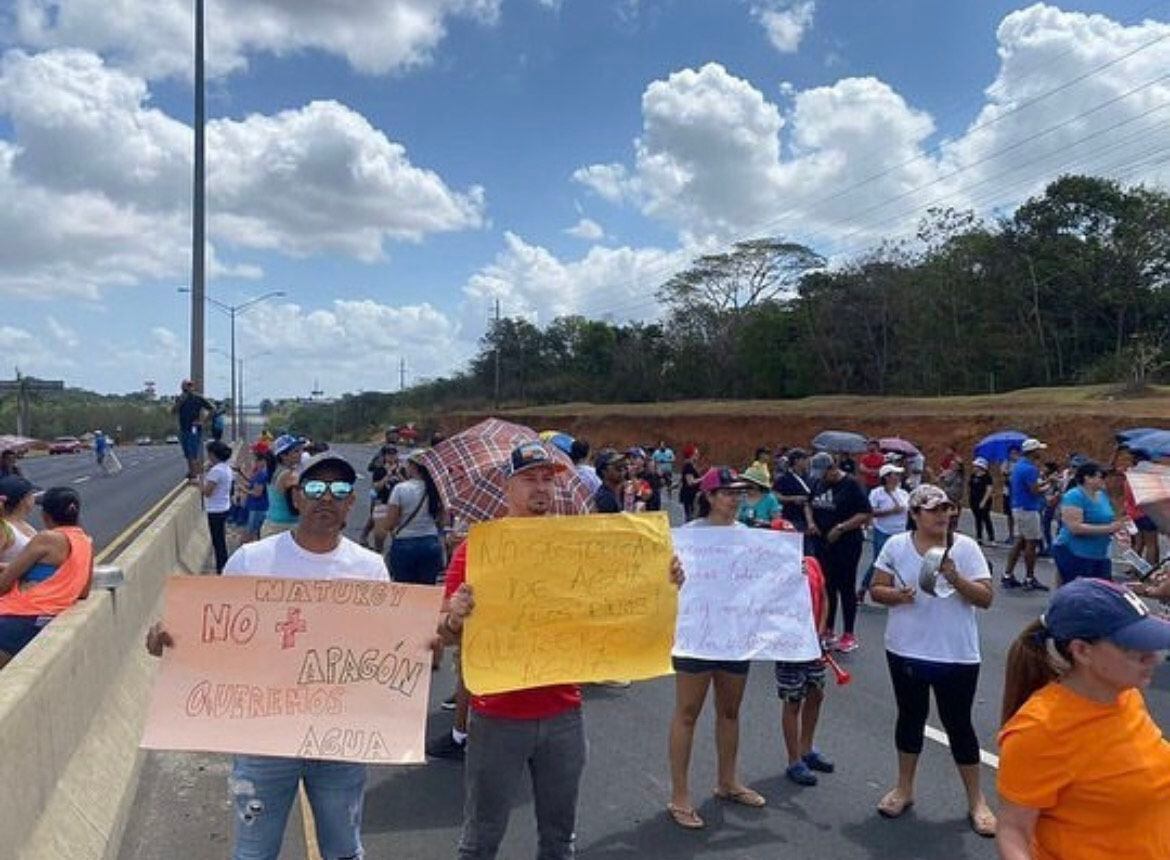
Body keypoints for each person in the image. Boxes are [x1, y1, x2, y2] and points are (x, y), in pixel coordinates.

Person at [438, 440, 682, 857]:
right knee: (481, 840)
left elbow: (620, 596)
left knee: (559, 839)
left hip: (564, 714)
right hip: (497, 717)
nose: (540, 488)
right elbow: (444, 633)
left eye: (547, 480)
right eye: (529, 479)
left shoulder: (577, 545)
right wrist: (455, 616)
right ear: (507, 487)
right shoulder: (478, 550)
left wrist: (664, 577)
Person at [147, 452, 389, 859]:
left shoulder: (370, 568)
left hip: (338, 738)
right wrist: (173, 639)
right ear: (296, 498)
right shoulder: (252, 560)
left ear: (351, 502)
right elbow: (216, 636)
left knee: (344, 851)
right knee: (254, 853)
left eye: (339, 490)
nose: (326, 498)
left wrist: (428, 640)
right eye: (315, 488)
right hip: (263, 738)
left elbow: (384, 647)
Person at [997, 578, 1170, 859]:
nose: (1153, 658)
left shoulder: (1126, 696)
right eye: (1133, 647)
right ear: (1082, 651)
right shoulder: (1039, 730)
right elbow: (1013, 831)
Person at [867, 484, 996, 838]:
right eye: (933, 509)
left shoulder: (965, 548)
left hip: (956, 653)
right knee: (910, 717)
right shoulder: (896, 546)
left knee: (959, 724)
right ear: (915, 514)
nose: (943, 514)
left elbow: (986, 598)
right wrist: (896, 595)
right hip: (906, 649)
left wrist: (955, 576)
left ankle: (977, 800)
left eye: (947, 508)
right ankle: (904, 788)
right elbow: (876, 590)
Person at [667, 466, 765, 829]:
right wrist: (671, 575)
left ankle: (727, 781)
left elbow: (761, 582)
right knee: (687, 712)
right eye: (727, 492)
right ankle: (679, 795)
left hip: (734, 635)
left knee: (730, 711)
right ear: (708, 497)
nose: (735, 498)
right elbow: (667, 585)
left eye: (739, 491)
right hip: (695, 635)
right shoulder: (687, 537)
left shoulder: (750, 537)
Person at [0, 486, 93, 670]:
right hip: (47, 618)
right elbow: (83, 592)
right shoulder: (86, 542)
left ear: (46, 516)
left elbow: (3, 584)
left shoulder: (46, 539)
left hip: (20, 617)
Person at [776, 551, 835, 788]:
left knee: (816, 693)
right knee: (792, 701)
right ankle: (794, 760)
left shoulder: (812, 563)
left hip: (813, 643)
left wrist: (820, 632)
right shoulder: (773, 572)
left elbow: (824, 597)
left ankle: (807, 747)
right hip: (790, 645)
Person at [808, 453, 872, 652]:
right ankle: (828, 629)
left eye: (824, 473)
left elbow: (866, 513)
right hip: (823, 542)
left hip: (846, 543)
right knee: (827, 586)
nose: (821, 477)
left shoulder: (851, 485)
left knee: (845, 587)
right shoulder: (818, 484)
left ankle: (849, 633)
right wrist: (811, 522)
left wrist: (842, 527)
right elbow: (808, 504)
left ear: (832, 468)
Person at [1051, 460, 1124, 586]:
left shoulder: (1102, 496)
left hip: (1100, 553)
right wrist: (1109, 528)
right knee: (1077, 590)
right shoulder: (1074, 496)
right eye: (1100, 477)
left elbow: (1109, 517)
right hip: (1075, 552)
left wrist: (1119, 528)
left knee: (1101, 590)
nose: (1103, 480)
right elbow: (1075, 528)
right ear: (1087, 478)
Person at [379, 455, 445, 585]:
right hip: (430, 543)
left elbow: (390, 522)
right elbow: (442, 521)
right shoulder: (436, 489)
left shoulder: (401, 489)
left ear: (414, 467)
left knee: (404, 590)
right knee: (427, 591)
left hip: (405, 543)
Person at [1004, 438, 1052, 591]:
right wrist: (1049, 485)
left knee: (1019, 541)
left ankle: (1008, 574)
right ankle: (1029, 577)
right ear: (1033, 452)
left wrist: (1044, 483)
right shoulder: (1030, 469)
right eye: (1039, 450)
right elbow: (1034, 491)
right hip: (1028, 508)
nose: (1041, 453)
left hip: (1018, 506)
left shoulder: (1019, 466)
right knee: (1031, 543)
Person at [860, 464, 909, 600]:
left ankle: (893, 588)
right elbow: (871, 512)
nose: (898, 477)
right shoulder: (876, 493)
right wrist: (891, 511)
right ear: (886, 477)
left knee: (898, 560)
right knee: (880, 560)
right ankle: (865, 587)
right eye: (895, 474)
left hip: (900, 531)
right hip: (883, 531)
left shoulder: (903, 493)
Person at [260, 435, 303, 538]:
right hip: (284, 527)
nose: (300, 454)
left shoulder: (273, 470)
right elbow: (299, 502)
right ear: (284, 456)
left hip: (271, 523)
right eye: (296, 451)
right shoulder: (289, 475)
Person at [201, 441, 234, 573]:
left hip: (215, 510)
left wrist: (199, 483)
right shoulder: (226, 468)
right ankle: (223, 567)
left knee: (218, 542)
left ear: (213, 454)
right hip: (224, 507)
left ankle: (222, 569)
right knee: (221, 541)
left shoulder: (216, 471)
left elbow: (207, 492)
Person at [172, 379, 213, 481]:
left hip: (194, 428)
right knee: (187, 452)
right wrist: (180, 402)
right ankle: (191, 471)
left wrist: (202, 421)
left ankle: (195, 474)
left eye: (190, 386)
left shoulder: (198, 398)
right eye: (185, 387)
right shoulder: (180, 399)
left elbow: (212, 408)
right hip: (183, 428)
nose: (187, 388)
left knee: (192, 451)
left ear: (193, 387)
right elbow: (173, 411)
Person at [773, 449, 814, 541]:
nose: (807, 462)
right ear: (797, 461)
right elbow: (775, 496)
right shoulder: (784, 479)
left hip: (809, 519)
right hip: (791, 517)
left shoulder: (809, 478)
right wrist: (792, 498)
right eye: (804, 459)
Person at [0, 475, 38, 567]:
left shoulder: (21, 523)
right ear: (24, 500)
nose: (34, 497)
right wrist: (18, 569)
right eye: (32, 494)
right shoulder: (4, 529)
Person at [241, 445, 271, 543]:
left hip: (258, 508)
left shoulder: (262, 474)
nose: (255, 463)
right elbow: (253, 483)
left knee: (249, 534)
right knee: (257, 534)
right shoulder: (260, 473)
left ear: (262, 461)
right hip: (257, 507)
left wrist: (244, 490)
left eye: (256, 461)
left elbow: (257, 493)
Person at [968, 457, 995, 544]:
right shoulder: (973, 476)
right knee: (977, 519)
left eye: (976, 466)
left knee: (986, 518)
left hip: (983, 500)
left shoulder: (987, 477)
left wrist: (984, 501)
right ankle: (979, 537)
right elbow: (970, 486)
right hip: (974, 499)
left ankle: (991, 537)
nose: (974, 468)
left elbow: (989, 489)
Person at [592, 448, 627, 514]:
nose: (622, 469)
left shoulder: (617, 492)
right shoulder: (606, 499)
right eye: (617, 467)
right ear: (604, 472)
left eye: (623, 465)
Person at [1001, 448, 1019, 544]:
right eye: (1011, 453)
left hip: (1017, 492)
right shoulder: (1006, 462)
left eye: (1015, 453)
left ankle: (1017, 535)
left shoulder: (1020, 463)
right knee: (1009, 514)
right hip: (1008, 490)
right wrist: (1007, 472)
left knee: (1016, 514)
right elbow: (1003, 472)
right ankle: (1010, 534)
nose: (1013, 455)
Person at [679, 445, 701, 522]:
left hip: (691, 495)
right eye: (696, 454)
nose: (698, 456)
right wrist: (704, 478)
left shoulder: (691, 466)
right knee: (690, 516)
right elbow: (690, 482)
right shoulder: (688, 466)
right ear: (691, 455)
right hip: (689, 495)